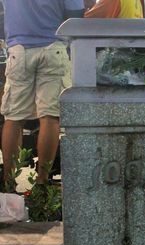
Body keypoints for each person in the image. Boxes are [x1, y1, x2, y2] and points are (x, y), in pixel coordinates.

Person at [1, 0, 84, 188]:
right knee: (49, 117)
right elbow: (76, 16)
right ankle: (41, 184)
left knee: (13, 118)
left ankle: (8, 184)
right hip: (53, 48)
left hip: (19, 51)